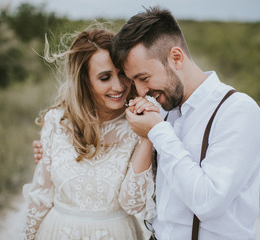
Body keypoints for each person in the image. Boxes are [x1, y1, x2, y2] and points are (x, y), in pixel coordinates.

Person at [109, 6, 260, 240]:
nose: (142, 90)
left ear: (176, 57)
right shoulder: (162, 111)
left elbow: (208, 202)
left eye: (144, 78)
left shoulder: (237, 111)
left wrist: (157, 131)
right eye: (135, 81)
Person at [23, 28, 158, 240]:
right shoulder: (57, 121)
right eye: (105, 77)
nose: (119, 85)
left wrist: (147, 137)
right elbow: (41, 194)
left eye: (122, 73)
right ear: (84, 81)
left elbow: (133, 203)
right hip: (58, 232)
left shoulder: (139, 124)